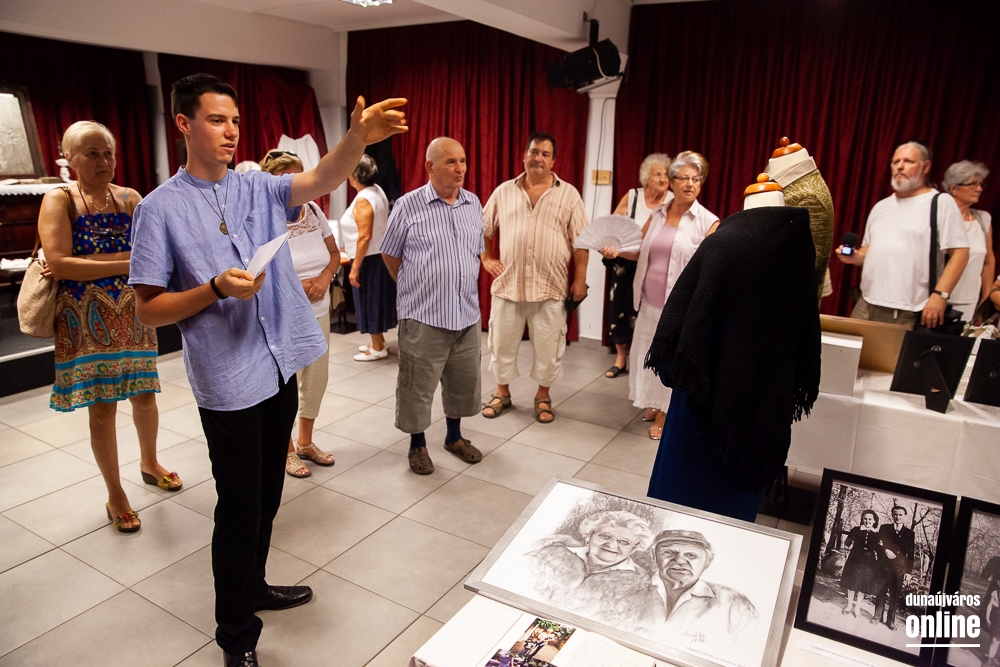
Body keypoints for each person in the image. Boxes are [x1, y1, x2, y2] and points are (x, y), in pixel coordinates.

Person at [129, 73, 406, 667]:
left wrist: (357, 139)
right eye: (216, 120)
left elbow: (322, 178)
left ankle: (253, 587)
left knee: (268, 496)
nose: (230, 132)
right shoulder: (159, 209)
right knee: (237, 508)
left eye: (235, 121)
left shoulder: (257, 186)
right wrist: (213, 289)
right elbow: (148, 309)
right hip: (228, 379)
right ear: (183, 124)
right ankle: (235, 635)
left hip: (278, 363)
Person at [38, 120, 181, 534]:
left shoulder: (130, 197)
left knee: (144, 395)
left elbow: (155, 252)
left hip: (134, 312)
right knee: (102, 408)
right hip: (86, 319)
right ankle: (115, 492)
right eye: (93, 154)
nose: (104, 162)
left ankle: (150, 462)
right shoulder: (60, 199)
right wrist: (128, 261)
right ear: (70, 157)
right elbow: (60, 263)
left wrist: (92, 263)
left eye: (109, 153)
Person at [380, 137, 485, 475]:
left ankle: (454, 437)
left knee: (462, 382)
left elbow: (475, 251)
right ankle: (418, 445)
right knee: (417, 387)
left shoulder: (473, 203)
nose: (460, 168)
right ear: (430, 167)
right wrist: (416, 287)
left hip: (466, 313)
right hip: (424, 315)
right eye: (451, 162)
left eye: (463, 161)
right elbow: (390, 254)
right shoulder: (408, 206)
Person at [481, 133, 589, 424]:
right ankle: (501, 393)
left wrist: (580, 280)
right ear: (524, 156)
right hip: (508, 285)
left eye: (544, 153)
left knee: (549, 347)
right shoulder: (503, 191)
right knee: (501, 344)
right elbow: (483, 229)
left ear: (553, 161)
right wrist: (487, 258)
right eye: (533, 151)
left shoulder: (569, 195)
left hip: (550, 287)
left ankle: (543, 396)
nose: (538, 158)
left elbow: (580, 242)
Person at [611, 152, 718, 440]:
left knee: (670, 360)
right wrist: (615, 250)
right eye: (684, 178)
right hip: (649, 302)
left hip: (680, 307)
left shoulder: (708, 221)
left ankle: (665, 413)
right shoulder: (658, 214)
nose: (690, 184)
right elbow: (638, 248)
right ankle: (654, 403)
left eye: (696, 179)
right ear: (672, 181)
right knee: (649, 355)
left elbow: (710, 268)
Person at [258, 149, 341, 479]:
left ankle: (305, 441)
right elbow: (259, 268)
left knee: (317, 379)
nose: (293, 183)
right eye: (286, 178)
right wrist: (295, 285)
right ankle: (286, 449)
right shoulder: (265, 218)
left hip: (318, 309)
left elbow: (334, 253)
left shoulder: (314, 210)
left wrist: (324, 278)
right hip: (284, 313)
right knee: (286, 383)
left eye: (297, 176)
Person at [837, 141, 969, 329]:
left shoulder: (940, 202)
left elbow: (960, 253)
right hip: (865, 302)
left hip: (905, 309)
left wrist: (940, 295)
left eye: (908, 161)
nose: (899, 166)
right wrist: (855, 257)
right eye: (895, 162)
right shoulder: (881, 206)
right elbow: (868, 249)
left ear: (926, 167)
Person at [603, 153, 672, 379]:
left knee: (649, 312)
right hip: (626, 263)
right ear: (646, 177)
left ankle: (646, 360)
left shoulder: (673, 200)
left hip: (655, 265)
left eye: (666, 174)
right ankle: (621, 358)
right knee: (620, 309)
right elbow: (611, 224)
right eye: (658, 174)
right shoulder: (633, 196)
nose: (663, 179)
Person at [526, 510, 653, 629]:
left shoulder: (641, 586)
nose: (612, 544)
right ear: (589, 536)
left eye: (624, 542)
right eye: (605, 536)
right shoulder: (552, 553)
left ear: (635, 548)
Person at [641, 530, 758, 641]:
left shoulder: (733, 602)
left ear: (708, 561)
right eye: (668, 552)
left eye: (690, 555)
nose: (679, 560)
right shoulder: (633, 586)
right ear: (653, 556)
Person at [344, 154, 395, 361]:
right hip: (377, 256)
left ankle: (377, 347)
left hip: (368, 258)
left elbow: (365, 235)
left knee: (370, 301)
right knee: (375, 300)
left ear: (355, 177)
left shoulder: (364, 199)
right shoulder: (377, 191)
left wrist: (354, 268)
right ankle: (378, 341)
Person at [942, 161, 993, 320]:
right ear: (953, 188)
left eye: (980, 184)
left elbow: (988, 261)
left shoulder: (983, 219)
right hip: (936, 300)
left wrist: (984, 300)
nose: (979, 189)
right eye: (972, 184)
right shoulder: (939, 218)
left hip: (968, 302)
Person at [873, 506, 915, 631]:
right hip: (883, 566)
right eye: (895, 514)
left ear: (905, 516)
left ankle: (890, 621)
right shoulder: (884, 528)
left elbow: (910, 554)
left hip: (899, 569)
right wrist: (885, 550)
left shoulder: (909, 533)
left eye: (900, 515)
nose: (898, 517)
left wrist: (908, 572)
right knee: (881, 591)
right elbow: (877, 545)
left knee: (894, 595)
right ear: (892, 515)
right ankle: (877, 616)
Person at [840, 510, 882, 619]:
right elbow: (847, 543)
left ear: (874, 521)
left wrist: (881, 546)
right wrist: (848, 541)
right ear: (862, 519)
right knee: (852, 583)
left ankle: (857, 608)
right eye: (865, 519)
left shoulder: (877, 534)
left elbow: (878, 550)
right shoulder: (856, 530)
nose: (867, 521)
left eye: (870, 519)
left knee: (863, 586)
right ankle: (849, 606)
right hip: (854, 560)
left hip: (868, 562)